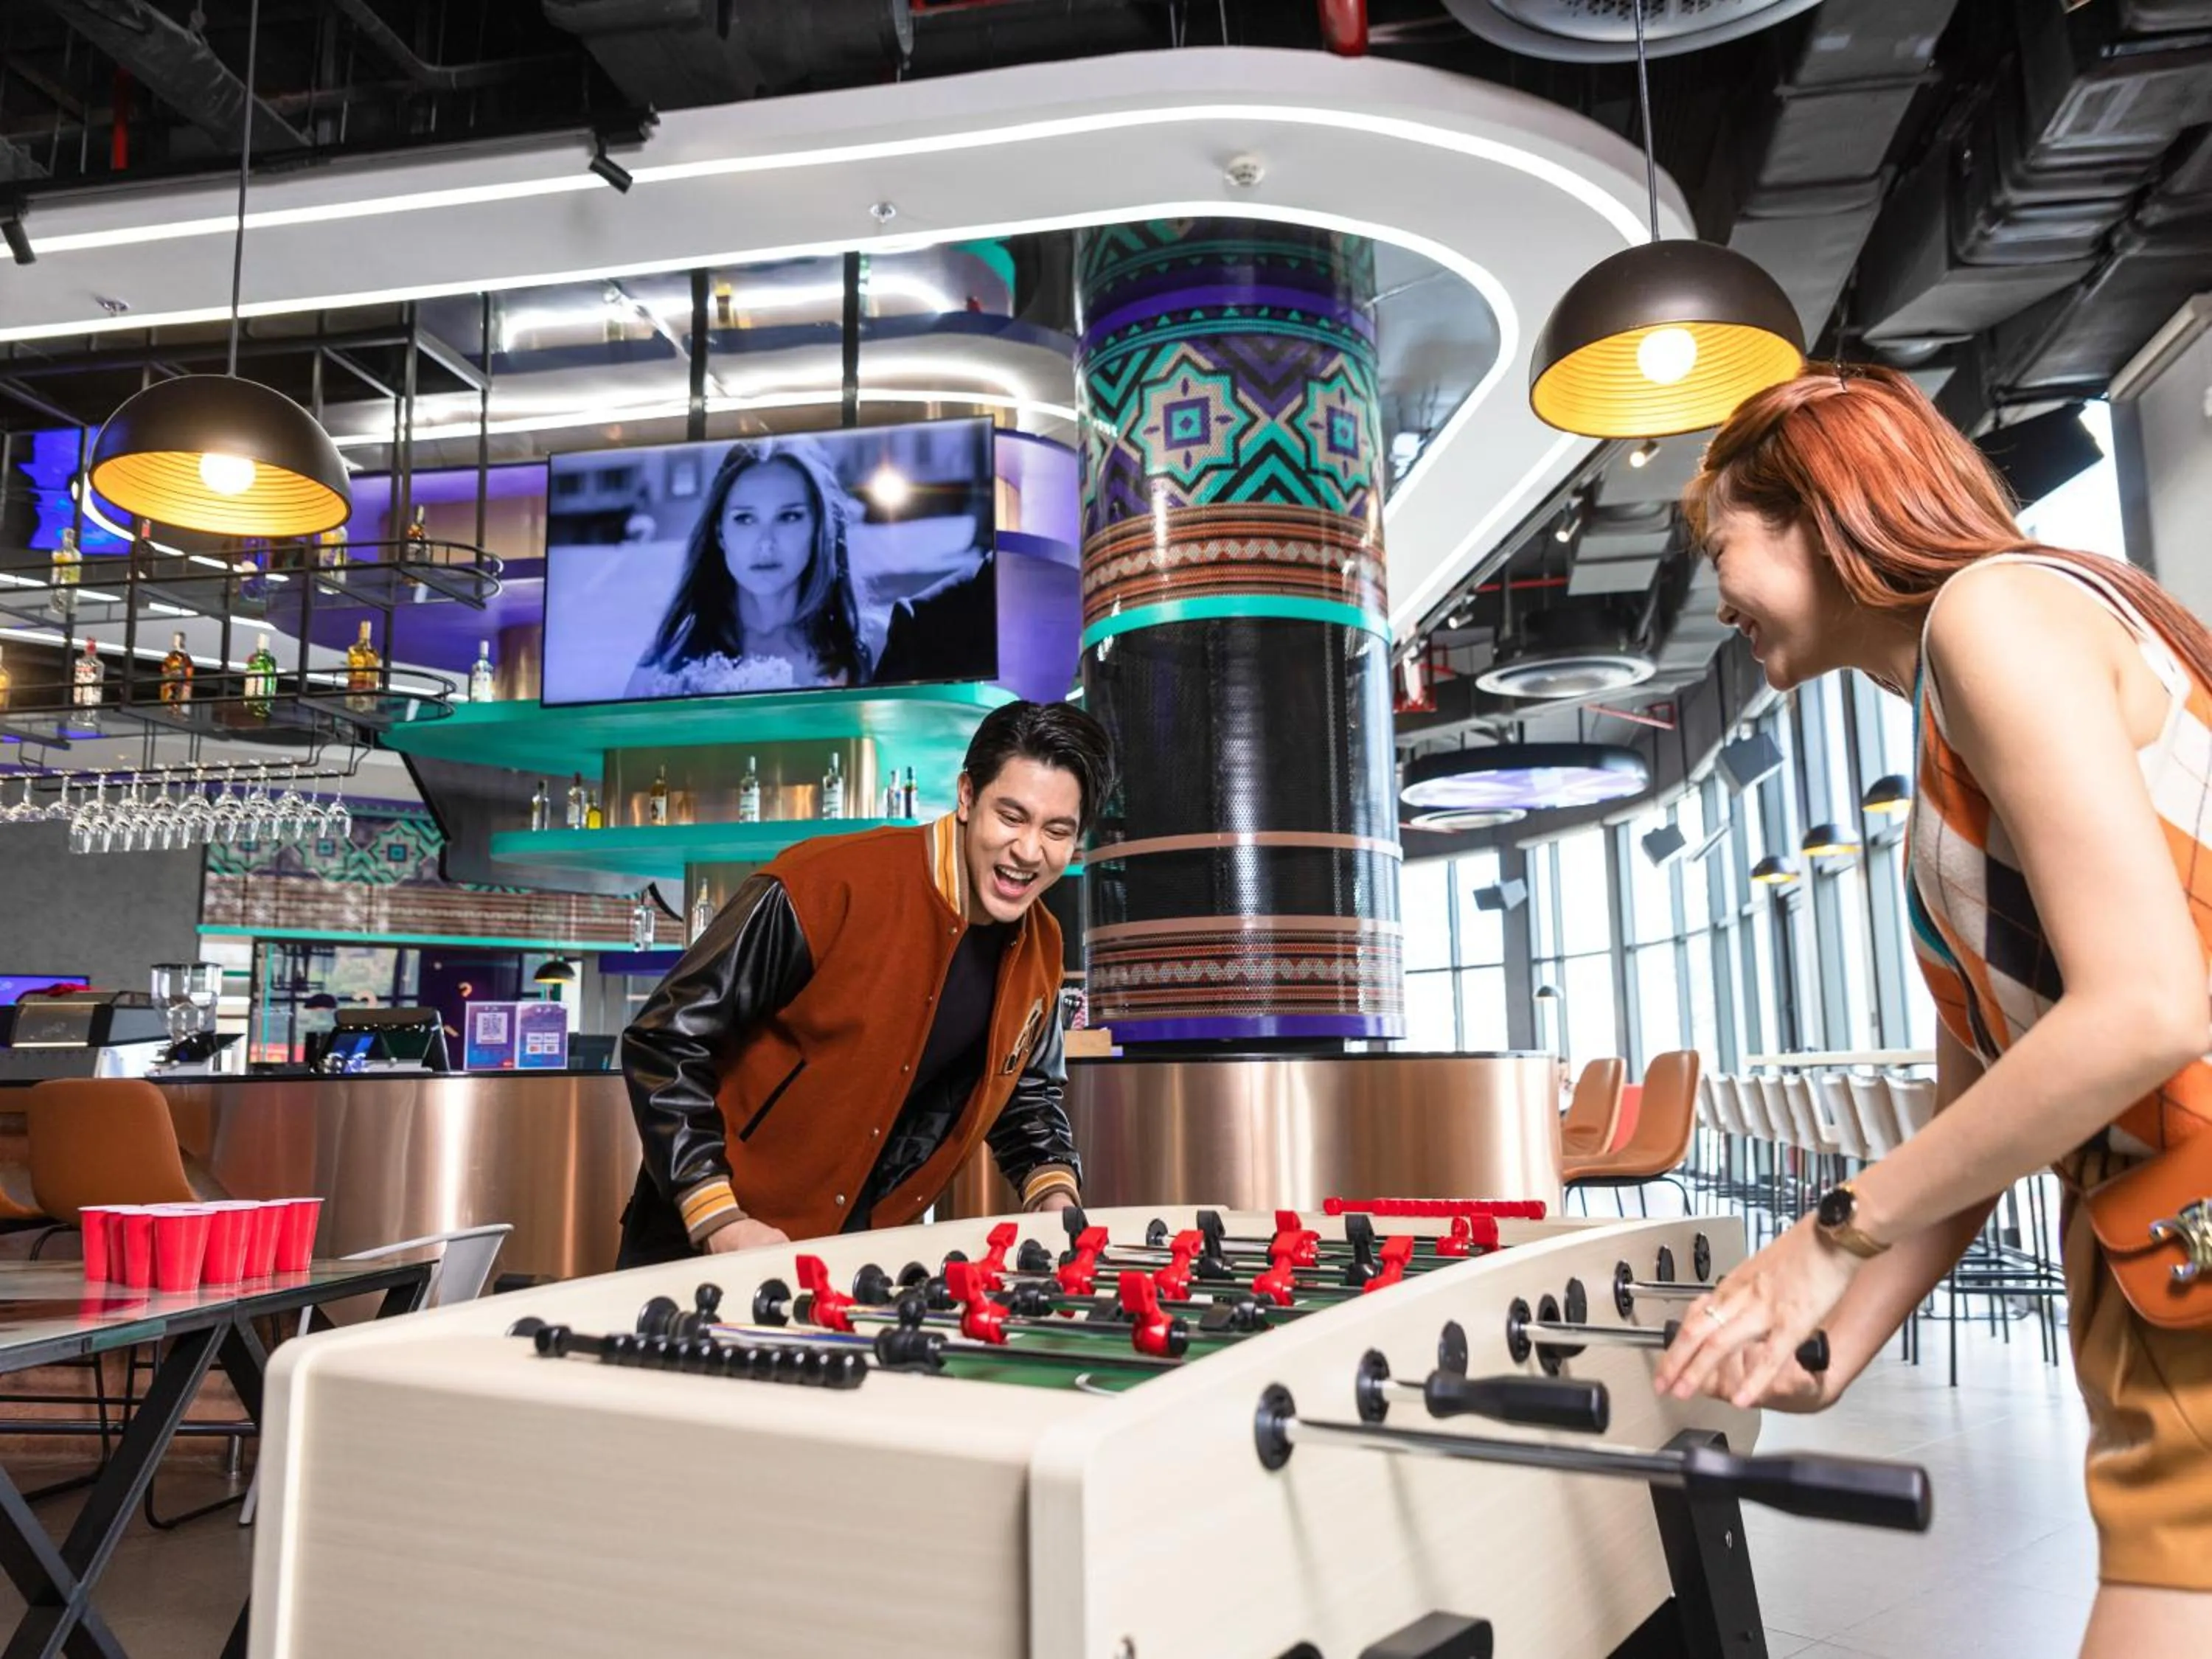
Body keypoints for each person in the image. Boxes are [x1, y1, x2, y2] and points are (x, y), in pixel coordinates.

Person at [1650, 364, 2212, 1653]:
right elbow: (1978, 1122)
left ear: (1822, 509)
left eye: (1720, 543)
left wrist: (1830, 1234)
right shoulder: (1964, 707)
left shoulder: (1993, 614)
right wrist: (1831, 1341)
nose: (1715, 594)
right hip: (2161, 1265)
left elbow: (2143, 1009)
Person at [616, 699, 1112, 1264]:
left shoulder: (1042, 946)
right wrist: (719, 1217)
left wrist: (1053, 1194)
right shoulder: (823, 884)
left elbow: (1026, 1096)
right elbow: (664, 1039)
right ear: (968, 796)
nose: (1028, 851)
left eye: (1056, 830)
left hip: (857, 1256)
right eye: (1012, 816)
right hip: (710, 1240)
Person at [625, 437, 869, 698]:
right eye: (745, 519)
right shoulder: (668, 664)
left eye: (788, 517)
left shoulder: (867, 648)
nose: (766, 544)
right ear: (720, 532)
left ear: (818, 528)